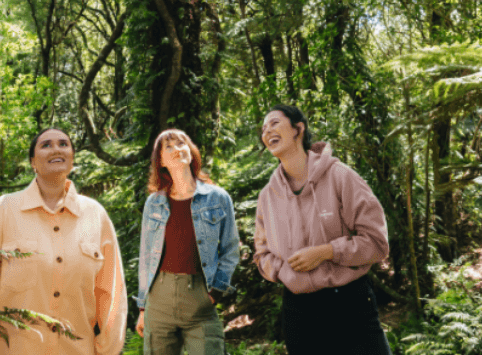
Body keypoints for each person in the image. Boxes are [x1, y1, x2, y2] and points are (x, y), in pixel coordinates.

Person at [0, 128, 127, 355]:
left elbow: (111, 292)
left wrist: (107, 350)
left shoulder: (95, 215)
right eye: (46, 145)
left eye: (63, 144)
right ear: (32, 162)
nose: (56, 148)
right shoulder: (3, 210)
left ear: (72, 158)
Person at [254, 104, 392, 355]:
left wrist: (327, 251)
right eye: (263, 129)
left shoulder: (341, 177)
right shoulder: (267, 196)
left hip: (351, 303)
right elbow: (261, 254)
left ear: (298, 129)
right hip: (299, 311)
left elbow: (377, 243)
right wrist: (285, 272)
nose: (267, 132)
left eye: (274, 123)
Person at [135, 128, 239, 355]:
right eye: (168, 147)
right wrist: (143, 308)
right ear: (160, 161)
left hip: (200, 299)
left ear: (191, 153)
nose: (176, 149)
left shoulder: (218, 198)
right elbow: (146, 257)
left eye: (181, 144)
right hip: (159, 300)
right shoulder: (154, 203)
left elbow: (230, 250)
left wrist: (215, 293)